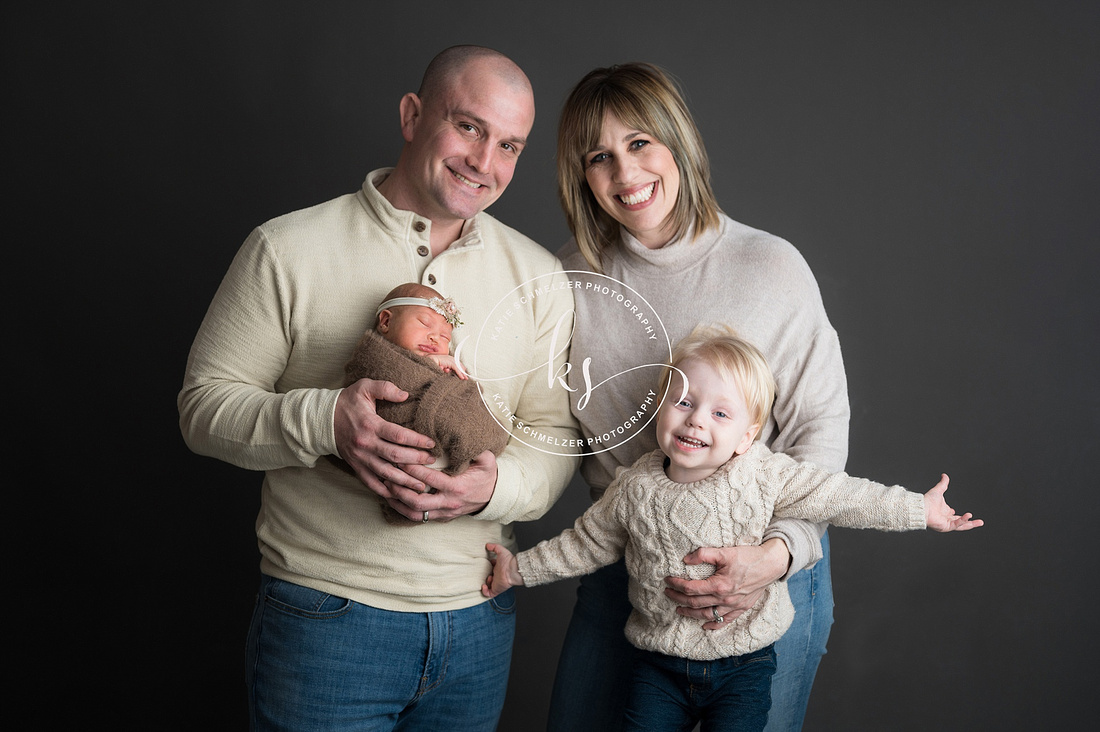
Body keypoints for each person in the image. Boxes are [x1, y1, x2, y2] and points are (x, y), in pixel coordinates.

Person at [178, 45, 580, 731]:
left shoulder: (540, 277)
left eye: (510, 145)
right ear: (412, 115)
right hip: (327, 619)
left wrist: (492, 490)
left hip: (478, 621)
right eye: (469, 127)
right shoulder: (288, 247)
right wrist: (325, 421)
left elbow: (555, 435)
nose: (485, 162)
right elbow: (203, 406)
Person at [484, 325, 982, 731]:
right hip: (658, 664)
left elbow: (839, 495)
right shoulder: (633, 488)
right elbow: (584, 545)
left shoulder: (762, 474)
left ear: (746, 437)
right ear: (660, 407)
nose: (696, 420)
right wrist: (517, 570)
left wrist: (918, 509)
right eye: (682, 402)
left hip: (744, 663)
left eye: (720, 413)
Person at [549, 62, 850, 731]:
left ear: (677, 141)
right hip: (628, 575)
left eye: (639, 144)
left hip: (768, 581)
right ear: (581, 173)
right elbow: (549, 430)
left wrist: (775, 555)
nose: (625, 175)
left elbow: (821, 428)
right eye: (599, 156)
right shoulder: (568, 281)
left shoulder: (771, 268)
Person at [325, 282, 510, 524]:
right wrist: (433, 369)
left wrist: (446, 375)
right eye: (424, 323)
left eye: (445, 337)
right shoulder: (376, 360)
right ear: (386, 322)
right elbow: (393, 384)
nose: (435, 337)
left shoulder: (440, 365)